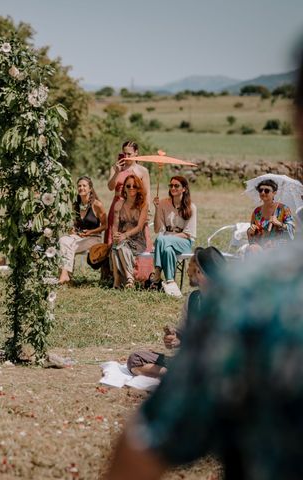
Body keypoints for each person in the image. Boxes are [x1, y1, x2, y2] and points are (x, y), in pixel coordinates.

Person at [105, 46, 303, 480]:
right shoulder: (253, 265)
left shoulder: (256, 294)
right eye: (264, 193)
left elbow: (147, 447)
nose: (266, 198)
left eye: (271, 193)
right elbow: (253, 233)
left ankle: (161, 277)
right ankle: (161, 277)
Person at [127, 247, 225, 378]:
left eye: (199, 271)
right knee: (135, 360)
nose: (194, 273)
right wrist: (175, 339)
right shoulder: (193, 299)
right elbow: (182, 334)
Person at [149, 176, 197, 298]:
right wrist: (157, 209)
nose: (173, 188)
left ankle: (157, 271)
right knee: (167, 249)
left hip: (184, 242)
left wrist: (168, 237)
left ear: (184, 189)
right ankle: (170, 281)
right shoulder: (163, 203)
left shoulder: (191, 207)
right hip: (166, 242)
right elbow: (157, 229)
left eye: (177, 186)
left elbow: (188, 234)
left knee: (161, 239)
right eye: (171, 185)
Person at [58, 176, 107, 284]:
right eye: (79, 186)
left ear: (90, 188)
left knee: (70, 245)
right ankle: (66, 275)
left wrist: (91, 232)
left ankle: (65, 275)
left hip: (94, 237)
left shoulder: (97, 205)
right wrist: (73, 230)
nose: (81, 188)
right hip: (79, 237)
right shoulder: (76, 204)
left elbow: (105, 225)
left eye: (84, 185)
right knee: (63, 240)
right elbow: (75, 224)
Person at [105, 141, 151, 245]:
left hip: (135, 206)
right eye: (124, 153)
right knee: (115, 237)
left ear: (136, 153)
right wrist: (117, 172)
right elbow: (110, 187)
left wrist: (146, 211)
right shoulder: (115, 168)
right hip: (118, 205)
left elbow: (146, 193)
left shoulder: (142, 171)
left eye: (129, 154)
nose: (126, 156)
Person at [110, 174, 148, 289]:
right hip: (122, 238)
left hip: (137, 240)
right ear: (124, 188)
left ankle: (121, 280)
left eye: (135, 186)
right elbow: (115, 225)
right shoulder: (118, 204)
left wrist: (124, 235)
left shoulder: (143, 205)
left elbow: (139, 227)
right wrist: (115, 235)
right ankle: (126, 279)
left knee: (118, 247)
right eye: (128, 186)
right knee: (116, 248)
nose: (131, 188)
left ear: (138, 188)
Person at [246, 178, 295, 253]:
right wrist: (250, 231)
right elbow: (252, 237)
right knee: (252, 249)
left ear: (274, 193)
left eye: (267, 190)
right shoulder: (257, 212)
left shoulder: (283, 209)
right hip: (262, 245)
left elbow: (292, 229)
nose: (263, 192)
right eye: (260, 190)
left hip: (280, 247)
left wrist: (279, 223)